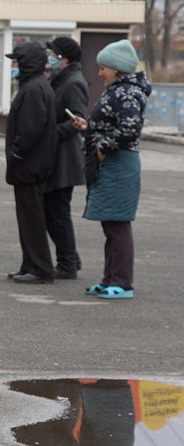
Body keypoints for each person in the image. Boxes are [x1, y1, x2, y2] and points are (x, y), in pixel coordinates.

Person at [71, 39, 151, 300]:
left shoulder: (127, 92)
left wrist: (102, 147)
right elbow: (115, 123)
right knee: (110, 223)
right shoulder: (117, 90)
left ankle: (122, 283)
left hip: (118, 163)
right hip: (112, 162)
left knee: (118, 223)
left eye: (103, 67)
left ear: (117, 69)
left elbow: (129, 130)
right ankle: (110, 279)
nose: (99, 72)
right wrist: (89, 128)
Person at [4, 41, 58, 284]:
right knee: (27, 219)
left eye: (16, 61)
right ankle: (30, 264)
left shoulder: (34, 88)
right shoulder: (35, 86)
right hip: (31, 166)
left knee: (32, 219)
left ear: (27, 63)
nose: (14, 66)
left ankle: (39, 268)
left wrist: (16, 154)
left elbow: (30, 130)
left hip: (29, 166)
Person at [44, 36, 88, 280]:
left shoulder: (73, 82)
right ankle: (69, 256)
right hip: (56, 157)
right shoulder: (59, 78)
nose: (50, 55)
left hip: (65, 159)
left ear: (64, 57)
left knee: (58, 212)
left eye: (53, 52)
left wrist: (49, 135)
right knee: (51, 212)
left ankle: (67, 263)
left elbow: (77, 120)